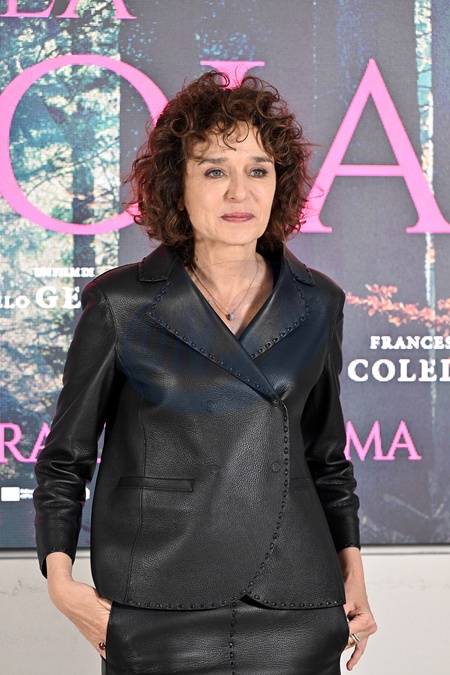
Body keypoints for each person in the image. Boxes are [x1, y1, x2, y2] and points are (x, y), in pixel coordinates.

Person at [34, 71, 377, 675]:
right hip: (159, 597)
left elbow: (326, 457)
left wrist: (355, 578)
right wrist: (62, 586)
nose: (240, 192)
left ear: (278, 184)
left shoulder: (319, 301)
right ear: (178, 186)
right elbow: (66, 458)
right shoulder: (120, 303)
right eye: (215, 171)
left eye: (258, 170)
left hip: (296, 599)